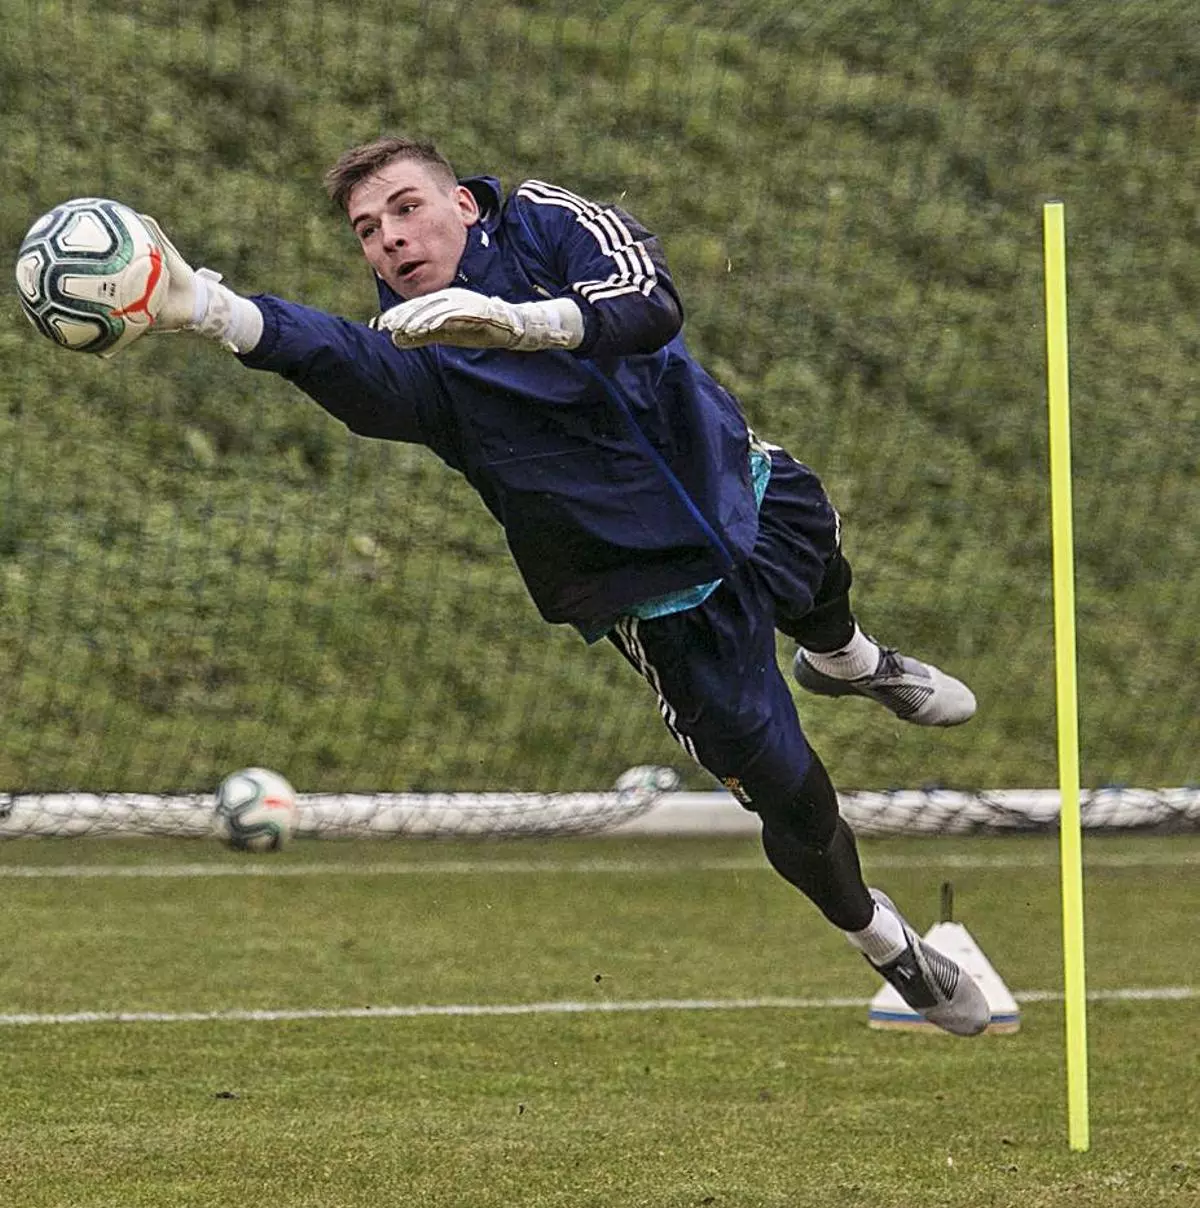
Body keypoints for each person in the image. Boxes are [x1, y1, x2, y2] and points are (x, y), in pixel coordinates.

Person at [140, 136, 988, 1036]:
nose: (388, 238)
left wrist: (523, 323)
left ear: (464, 203)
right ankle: (885, 942)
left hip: (743, 485)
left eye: (404, 207)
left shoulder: (546, 220)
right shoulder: (416, 352)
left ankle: (849, 659)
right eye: (365, 229)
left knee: (816, 549)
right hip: (662, 605)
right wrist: (211, 310)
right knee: (793, 797)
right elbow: (332, 356)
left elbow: (650, 304)